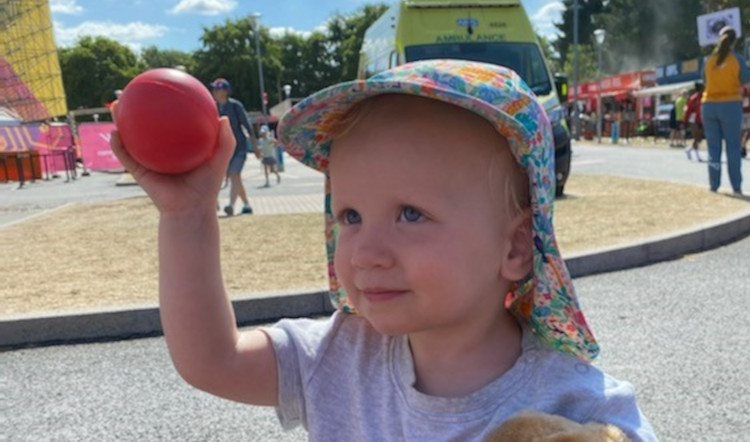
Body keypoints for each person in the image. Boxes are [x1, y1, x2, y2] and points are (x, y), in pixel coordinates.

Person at [110, 60, 657, 441]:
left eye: (411, 214)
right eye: (350, 216)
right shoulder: (338, 358)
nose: (366, 251)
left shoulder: (578, 409)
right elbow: (213, 360)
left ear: (515, 246)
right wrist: (186, 216)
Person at [701, 26, 750, 194]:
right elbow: (747, 84)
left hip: (708, 105)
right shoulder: (737, 59)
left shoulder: (709, 60)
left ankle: (713, 185)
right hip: (730, 105)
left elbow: (705, 82)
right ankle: (736, 187)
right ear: (734, 41)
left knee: (713, 148)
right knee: (733, 147)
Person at [210, 78, 259, 215]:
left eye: (217, 89)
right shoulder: (212, 107)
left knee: (234, 174)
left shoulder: (235, 106)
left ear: (225, 91)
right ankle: (247, 205)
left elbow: (247, 126)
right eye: (213, 88)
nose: (214, 91)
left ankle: (230, 205)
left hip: (239, 147)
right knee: (232, 177)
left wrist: (255, 147)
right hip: (222, 149)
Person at [683, 82, 704, 162]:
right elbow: (688, 111)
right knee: (696, 136)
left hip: (700, 119)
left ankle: (689, 149)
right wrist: (685, 121)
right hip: (692, 119)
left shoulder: (704, 97)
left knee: (699, 138)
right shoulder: (693, 98)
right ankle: (698, 155)